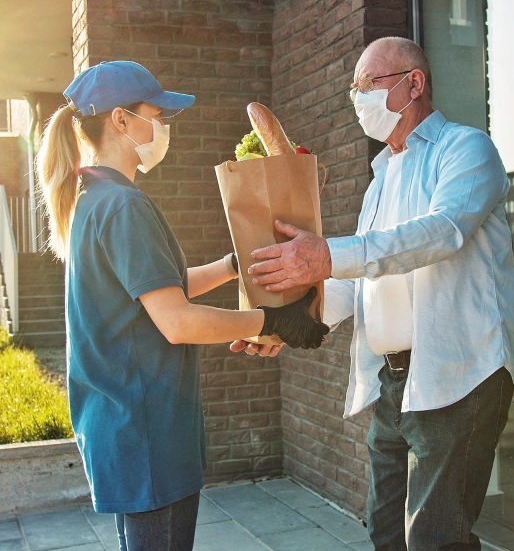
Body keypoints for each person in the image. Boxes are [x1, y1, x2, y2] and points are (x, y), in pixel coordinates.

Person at [35, 60, 328, 551]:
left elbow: (159, 290)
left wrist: (234, 264)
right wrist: (276, 320)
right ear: (121, 121)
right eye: (158, 115)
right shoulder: (124, 206)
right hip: (146, 433)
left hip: (123, 429)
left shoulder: (97, 199)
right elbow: (175, 321)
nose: (165, 128)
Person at [245, 37, 514, 550]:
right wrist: (289, 325)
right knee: (386, 535)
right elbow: (356, 279)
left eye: (366, 84)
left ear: (413, 83)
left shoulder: (466, 149)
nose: (356, 99)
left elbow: (442, 233)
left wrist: (329, 254)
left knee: (437, 540)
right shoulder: (379, 180)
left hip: (460, 375)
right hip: (395, 383)